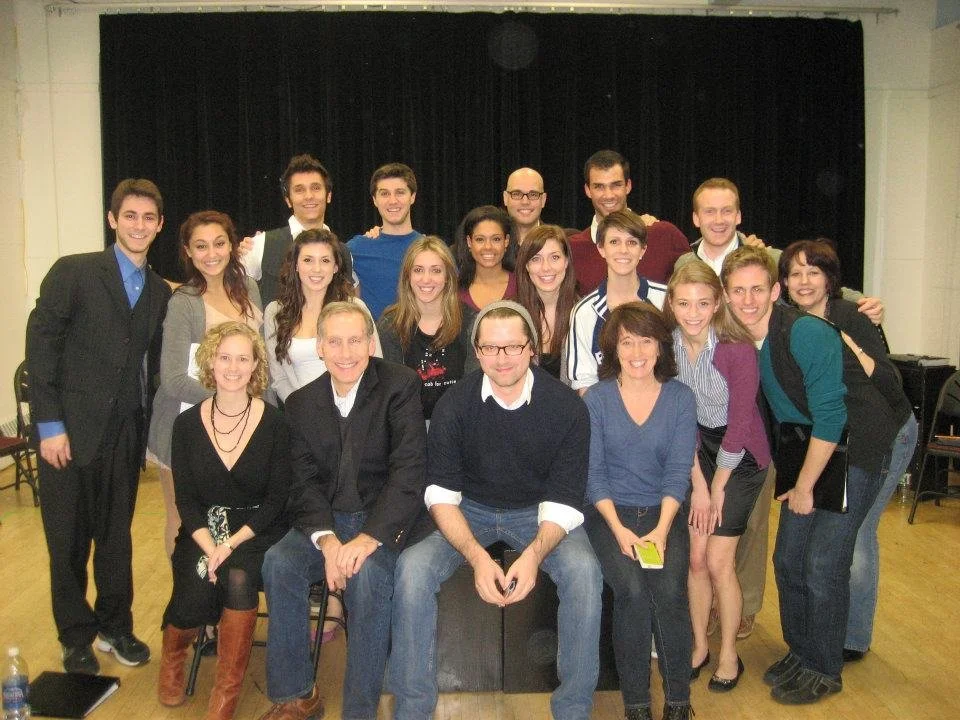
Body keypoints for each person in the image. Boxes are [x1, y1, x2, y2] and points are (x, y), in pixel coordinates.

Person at [675, 176, 885, 641]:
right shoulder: (685, 264)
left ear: (739, 213)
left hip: (796, 430)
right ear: (695, 218)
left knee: (780, 536)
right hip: (770, 423)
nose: (718, 218)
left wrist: (857, 304)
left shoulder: (765, 259)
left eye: (726, 209)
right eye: (708, 211)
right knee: (741, 546)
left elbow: (815, 279)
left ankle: (811, 631)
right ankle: (725, 622)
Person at [391, 301, 602, 720]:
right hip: (470, 508)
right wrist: (476, 556)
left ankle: (574, 711)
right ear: (477, 350)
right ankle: (413, 710)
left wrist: (533, 555)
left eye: (511, 347)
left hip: (541, 511)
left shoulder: (566, 408)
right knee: (412, 570)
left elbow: (565, 498)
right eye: (490, 348)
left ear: (531, 350)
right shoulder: (455, 404)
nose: (501, 359)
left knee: (584, 573)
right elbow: (441, 495)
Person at [721, 246, 913, 704]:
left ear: (775, 291)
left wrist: (805, 485)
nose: (748, 299)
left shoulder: (804, 332)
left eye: (757, 289)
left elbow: (831, 417)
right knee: (788, 559)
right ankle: (803, 651)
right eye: (738, 291)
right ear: (726, 297)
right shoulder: (746, 340)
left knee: (824, 563)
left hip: (859, 447)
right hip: (811, 448)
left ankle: (825, 668)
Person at [26, 178, 171, 674]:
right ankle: (75, 636)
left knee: (116, 537)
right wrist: (48, 425)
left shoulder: (157, 291)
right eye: (129, 215)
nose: (138, 225)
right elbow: (41, 346)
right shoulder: (75, 272)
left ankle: (115, 626)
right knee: (66, 540)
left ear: (159, 226)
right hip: (67, 433)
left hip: (124, 434)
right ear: (113, 220)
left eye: (148, 218)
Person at [258, 302, 427, 720]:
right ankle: (297, 695)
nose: (346, 352)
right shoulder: (299, 404)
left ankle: (359, 709)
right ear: (319, 348)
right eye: (335, 341)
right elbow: (303, 484)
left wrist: (366, 539)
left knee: (367, 578)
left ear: (371, 344)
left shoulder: (400, 386)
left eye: (355, 340)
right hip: (327, 523)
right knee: (280, 562)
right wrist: (329, 542)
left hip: (380, 521)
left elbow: (408, 473)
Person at [778, 239, 917, 663]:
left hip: (886, 435)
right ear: (783, 282)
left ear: (829, 279)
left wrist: (851, 347)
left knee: (855, 535)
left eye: (813, 272)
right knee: (828, 541)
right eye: (795, 273)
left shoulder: (849, 315)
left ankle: (852, 638)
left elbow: (891, 384)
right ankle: (826, 633)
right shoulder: (787, 323)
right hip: (840, 440)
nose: (804, 282)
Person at [157, 322, 288, 720]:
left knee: (238, 576)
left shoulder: (275, 423)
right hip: (203, 530)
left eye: (242, 358)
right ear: (210, 363)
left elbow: (277, 500)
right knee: (193, 595)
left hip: (257, 529)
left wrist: (229, 546)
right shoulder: (185, 425)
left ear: (255, 366)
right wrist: (211, 545)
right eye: (224, 357)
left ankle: (226, 692)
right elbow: (187, 500)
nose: (233, 367)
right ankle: (174, 654)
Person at [583, 302, 697, 720]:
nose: (636, 351)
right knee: (631, 592)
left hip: (662, 513)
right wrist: (618, 529)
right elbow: (594, 476)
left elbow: (677, 473)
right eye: (626, 341)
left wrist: (663, 529)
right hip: (608, 514)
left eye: (645, 340)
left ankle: (679, 702)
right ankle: (636, 706)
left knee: (669, 594)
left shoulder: (681, 398)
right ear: (613, 348)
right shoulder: (596, 398)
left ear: (661, 346)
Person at [662, 261, 771, 691]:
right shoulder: (667, 347)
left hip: (740, 457)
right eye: (684, 303)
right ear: (671, 303)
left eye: (703, 303)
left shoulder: (735, 348)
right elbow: (678, 418)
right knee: (694, 559)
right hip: (695, 450)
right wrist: (698, 483)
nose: (693, 312)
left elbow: (741, 424)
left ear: (718, 302)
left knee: (718, 561)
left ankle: (728, 652)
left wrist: (718, 485)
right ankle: (698, 645)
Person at [149, 210, 263, 560]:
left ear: (231, 246)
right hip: (185, 428)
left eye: (218, 243)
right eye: (200, 246)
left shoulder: (249, 288)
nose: (211, 253)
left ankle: (225, 601)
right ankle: (188, 608)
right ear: (187, 251)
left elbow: (260, 359)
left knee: (230, 519)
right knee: (184, 521)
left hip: (239, 427)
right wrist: (232, 398)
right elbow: (172, 379)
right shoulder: (184, 303)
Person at [264, 227, 381, 406]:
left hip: (357, 411)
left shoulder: (356, 308)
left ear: (335, 267)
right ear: (295, 265)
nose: (316, 269)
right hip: (303, 413)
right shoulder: (275, 313)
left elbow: (376, 364)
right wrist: (303, 410)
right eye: (308, 260)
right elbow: (278, 378)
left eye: (325, 260)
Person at [377, 236, 479, 423]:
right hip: (409, 426)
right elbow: (392, 393)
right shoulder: (390, 324)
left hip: (459, 423)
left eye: (436, 270)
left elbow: (472, 390)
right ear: (407, 276)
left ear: (448, 276)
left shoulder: (471, 320)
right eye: (418, 270)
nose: (426, 279)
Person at [568, 210, 667, 394]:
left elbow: (676, 366)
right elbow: (585, 384)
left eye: (632, 242)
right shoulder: (583, 312)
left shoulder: (665, 300)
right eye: (614, 242)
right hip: (608, 418)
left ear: (643, 250)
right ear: (601, 248)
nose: (623, 250)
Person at [568, 149, 689, 291]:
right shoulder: (572, 249)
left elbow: (700, 285)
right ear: (588, 190)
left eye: (616, 185)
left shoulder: (663, 234)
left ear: (628, 186)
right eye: (599, 187)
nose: (608, 195)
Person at [242, 154, 334, 307]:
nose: (309, 196)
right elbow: (230, 288)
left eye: (316, 188)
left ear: (328, 195)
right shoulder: (260, 244)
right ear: (288, 200)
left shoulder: (343, 251)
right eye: (299, 190)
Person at [347, 162, 423, 321]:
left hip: (422, 343)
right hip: (374, 343)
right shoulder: (356, 249)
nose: (393, 200)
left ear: (413, 197)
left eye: (400, 192)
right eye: (384, 193)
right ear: (374, 200)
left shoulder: (431, 250)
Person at [515, 224, 578, 382]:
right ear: (526, 265)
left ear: (566, 261)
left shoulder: (585, 314)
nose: (546, 268)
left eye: (555, 257)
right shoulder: (511, 315)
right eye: (536, 259)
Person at [455, 205, 518, 311]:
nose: (488, 247)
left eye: (496, 239)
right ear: (469, 242)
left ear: (506, 241)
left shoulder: (522, 287)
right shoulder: (455, 290)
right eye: (480, 239)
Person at [503, 167, 547, 245]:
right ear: (505, 198)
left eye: (533, 194)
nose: (525, 202)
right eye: (517, 194)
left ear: (543, 200)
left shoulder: (558, 244)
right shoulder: (494, 245)